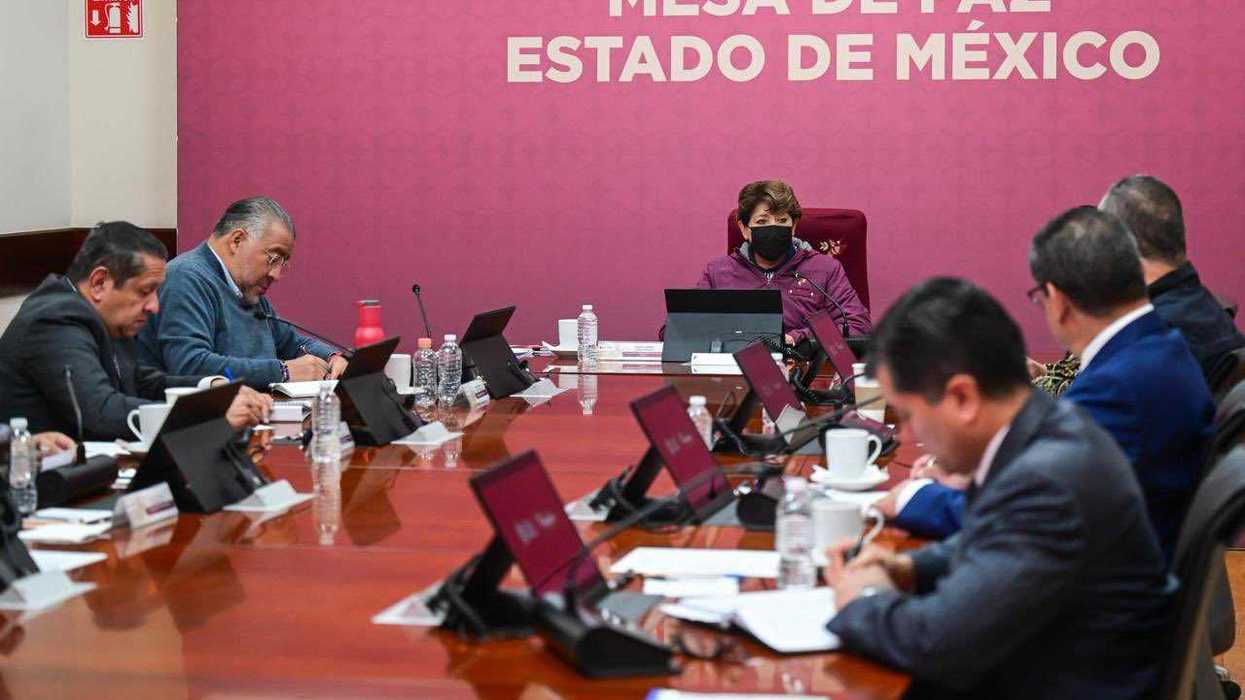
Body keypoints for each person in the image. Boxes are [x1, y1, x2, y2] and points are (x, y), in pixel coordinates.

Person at [826, 277, 1172, 700]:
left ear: (963, 398)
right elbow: (1003, 539)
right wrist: (915, 567)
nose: (914, 432)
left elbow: (937, 643)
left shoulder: (1045, 480)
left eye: (912, 414)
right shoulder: (1049, 427)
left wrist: (856, 601)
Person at [891, 208, 1214, 562]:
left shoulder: (1114, 389)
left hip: (1099, 585)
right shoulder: (1161, 347)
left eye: (1038, 298)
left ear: (1057, 300)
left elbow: (1027, 518)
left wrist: (914, 497)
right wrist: (974, 482)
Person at [0, 222, 271, 441]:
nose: (154, 306)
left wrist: (212, 390)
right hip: (42, 494)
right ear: (99, 282)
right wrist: (206, 414)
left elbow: (140, 381)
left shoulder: (104, 316)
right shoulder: (55, 320)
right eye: (145, 291)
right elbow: (101, 414)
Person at [1029, 175, 1244, 392]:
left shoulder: (1148, 337)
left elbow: (1088, 414)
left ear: (1116, 245)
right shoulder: (1201, 309)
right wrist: (1047, 377)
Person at [137, 197, 346, 388]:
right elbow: (191, 365)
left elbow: (291, 342)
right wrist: (282, 371)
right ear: (237, 240)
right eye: (273, 258)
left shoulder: (246, 289)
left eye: (283, 263)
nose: (276, 274)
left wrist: (332, 357)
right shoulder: (185, 279)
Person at [696, 180, 870, 347]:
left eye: (781, 221)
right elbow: (681, 331)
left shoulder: (825, 269)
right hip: (736, 369)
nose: (772, 228)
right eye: (762, 221)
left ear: (793, 226)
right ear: (744, 228)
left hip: (805, 368)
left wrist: (799, 338)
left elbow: (858, 327)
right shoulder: (718, 272)